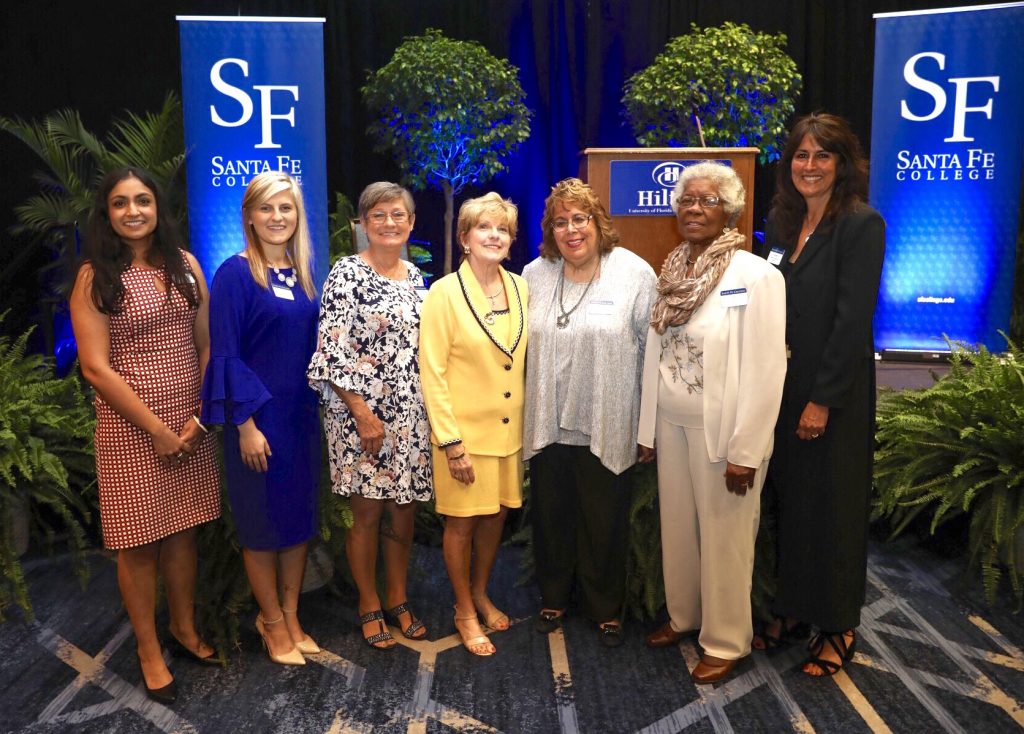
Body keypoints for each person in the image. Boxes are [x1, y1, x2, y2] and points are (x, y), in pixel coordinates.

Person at [70, 167, 220, 704]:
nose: (133, 210)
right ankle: (149, 649)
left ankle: (182, 629)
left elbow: (205, 343)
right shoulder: (95, 276)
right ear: (106, 213)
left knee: (184, 532)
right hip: (132, 429)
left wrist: (198, 418)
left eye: (143, 200)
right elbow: (95, 367)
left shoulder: (186, 265)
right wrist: (157, 429)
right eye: (120, 203)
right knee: (138, 545)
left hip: (189, 424)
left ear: (159, 207)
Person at [637, 162, 786, 683]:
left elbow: (769, 368)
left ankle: (726, 640)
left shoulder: (757, 276)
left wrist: (747, 450)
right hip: (671, 424)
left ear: (730, 213)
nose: (693, 208)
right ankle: (685, 616)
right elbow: (658, 351)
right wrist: (646, 429)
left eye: (707, 201)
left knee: (725, 536)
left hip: (724, 433)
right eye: (686, 200)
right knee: (678, 528)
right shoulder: (673, 268)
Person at [756, 112, 885, 676]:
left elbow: (852, 321)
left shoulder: (861, 224)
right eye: (801, 156)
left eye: (822, 156)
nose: (809, 166)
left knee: (833, 506)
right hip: (779, 386)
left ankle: (837, 624)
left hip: (832, 391)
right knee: (790, 501)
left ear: (842, 164)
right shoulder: (782, 224)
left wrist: (822, 399)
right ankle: (791, 608)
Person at [523, 177, 656, 648]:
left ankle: (605, 608)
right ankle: (554, 597)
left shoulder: (634, 273)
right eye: (560, 222)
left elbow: (652, 353)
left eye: (580, 219)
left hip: (607, 418)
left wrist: (647, 427)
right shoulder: (534, 274)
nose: (571, 230)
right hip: (546, 421)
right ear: (550, 230)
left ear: (599, 223)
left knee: (605, 521)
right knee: (552, 515)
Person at [201, 172, 320, 666]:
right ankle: (270, 622)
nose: (277, 218)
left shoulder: (305, 273)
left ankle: (292, 615)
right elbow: (226, 355)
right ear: (249, 216)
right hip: (259, 422)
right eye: (267, 208)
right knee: (262, 525)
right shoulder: (234, 274)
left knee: (297, 522)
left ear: (297, 217)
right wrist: (245, 425)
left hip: (302, 419)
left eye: (286, 208)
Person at [307, 182, 432, 650]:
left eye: (397, 214)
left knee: (403, 512)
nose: (389, 223)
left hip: (410, 414)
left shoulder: (417, 278)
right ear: (362, 224)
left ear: (411, 222)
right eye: (377, 215)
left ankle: (398, 598)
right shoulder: (346, 273)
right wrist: (361, 412)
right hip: (359, 415)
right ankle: (368, 602)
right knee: (367, 513)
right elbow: (330, 350)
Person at [419, 193, 528, 657]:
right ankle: (463, 609)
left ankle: (481, 592)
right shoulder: (443, 293)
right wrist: (451, 443)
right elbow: (433, 371)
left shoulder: (522, 287)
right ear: (464, 238)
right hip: (463, 436)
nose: (494, 236)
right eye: (484, 228)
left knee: (496, 518)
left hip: (509, 433)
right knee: (462, 524)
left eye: (502, 229)